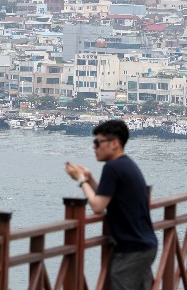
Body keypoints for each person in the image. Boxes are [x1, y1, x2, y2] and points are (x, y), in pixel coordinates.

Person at [64, 119, 157, 290]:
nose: (94, 147)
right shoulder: (126, 164)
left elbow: (98, 207)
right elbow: (110, 196)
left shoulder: (112, 168)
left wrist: (81, 180)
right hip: (146, 245)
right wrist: (90, 179)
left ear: (114, 144)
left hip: (131, 250)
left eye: (97, 142)